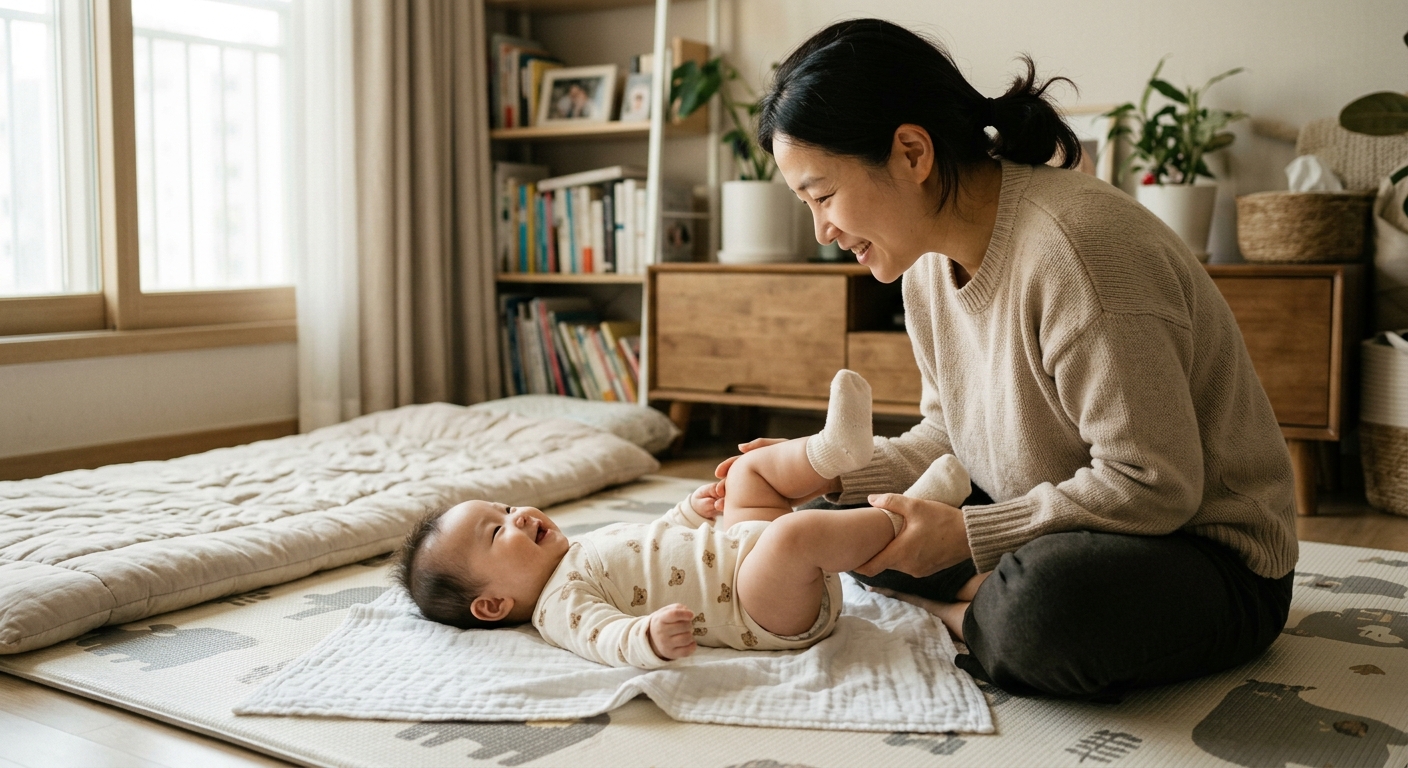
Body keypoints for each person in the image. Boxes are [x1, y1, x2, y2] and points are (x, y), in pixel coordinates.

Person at [721, 18, 1298, 697]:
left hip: (1206, 556)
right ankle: (976, 602)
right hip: (1061, 518)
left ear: (911, 152)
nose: (822, 229)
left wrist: (967, 534)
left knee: (1039, 613)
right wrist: (819, 473)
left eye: (822, 196)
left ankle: (959, 611)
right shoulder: (925, 269)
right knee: (824, 530)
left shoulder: (1079, 251)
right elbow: (948, 438)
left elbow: (1155, 484)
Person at [396, 370, 971, 668]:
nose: (518, 515)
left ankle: (833, 453)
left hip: (735, 545)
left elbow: (655, 543)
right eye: (497, 532)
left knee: (747, 473)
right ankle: (906, 517)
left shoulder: (577, 551)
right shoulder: (557, 607)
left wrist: (689, 511)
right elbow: (604, 639)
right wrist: (644, 637)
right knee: (797, 535)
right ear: (493, 604)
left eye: (505, 507)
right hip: (760, 605)